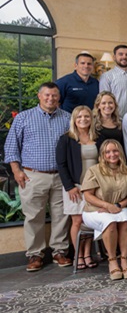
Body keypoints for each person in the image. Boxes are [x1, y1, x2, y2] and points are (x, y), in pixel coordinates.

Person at [4, 82, 72, 271]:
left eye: (54, 96)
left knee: (61, 216)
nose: (51, 99)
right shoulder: (24, 118)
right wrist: (17, 171)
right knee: (33, 216)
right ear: (39, 96)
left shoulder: (66, 118)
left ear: (59, 97)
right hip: (32, 175)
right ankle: (35, 255)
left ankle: (59, 251)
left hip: (60, 176)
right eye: (47, 95)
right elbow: (11, 147)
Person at [81, 139, 127, 280]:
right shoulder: (94, 170)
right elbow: (88, 195)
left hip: (118, 207)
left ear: (121, 152)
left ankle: (124, 258)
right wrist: (106, 206)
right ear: (103, 155)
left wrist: (117, 206)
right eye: (108, 152)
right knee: (110, 222)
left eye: (115, 150)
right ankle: (112, 260)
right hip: (94, 210)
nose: (112, 154)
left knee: (125, 219)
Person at [56, 105, 98, 271]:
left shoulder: (97, 137)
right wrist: (69, 186)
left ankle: (88, 254)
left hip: (94, 188)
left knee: (90, 221)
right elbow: (61, 164)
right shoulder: (66, 139)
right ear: (74, 119)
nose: (83, 119)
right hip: (75, 187)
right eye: (79, 117)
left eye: (86, 116)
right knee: (78, 221)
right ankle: (78, 255)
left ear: (91, 118)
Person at [98, 45, 127, 116]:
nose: (124, 57)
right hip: (114, 120)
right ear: (114, 57)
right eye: (120, 54)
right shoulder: (106, 77)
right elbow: (104, 101)